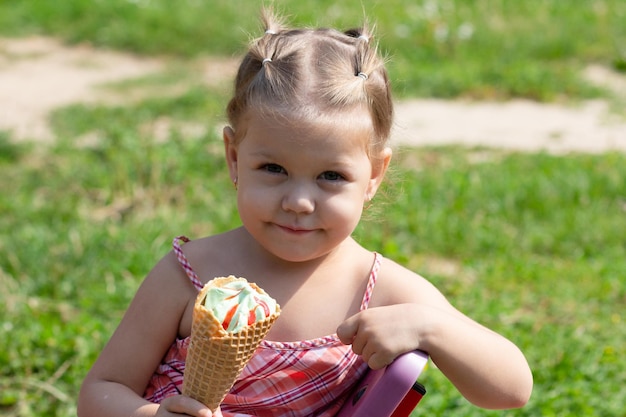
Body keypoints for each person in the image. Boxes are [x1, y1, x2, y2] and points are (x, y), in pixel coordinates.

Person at [78, 8, 532, 417]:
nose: (298, 201)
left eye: (331, 176)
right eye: (273, 168)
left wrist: (430, 326)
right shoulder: (190, 274)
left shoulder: (380, 289)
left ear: (374, 175)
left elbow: (512, 387)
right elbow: (101, 391)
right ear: (234, 158)